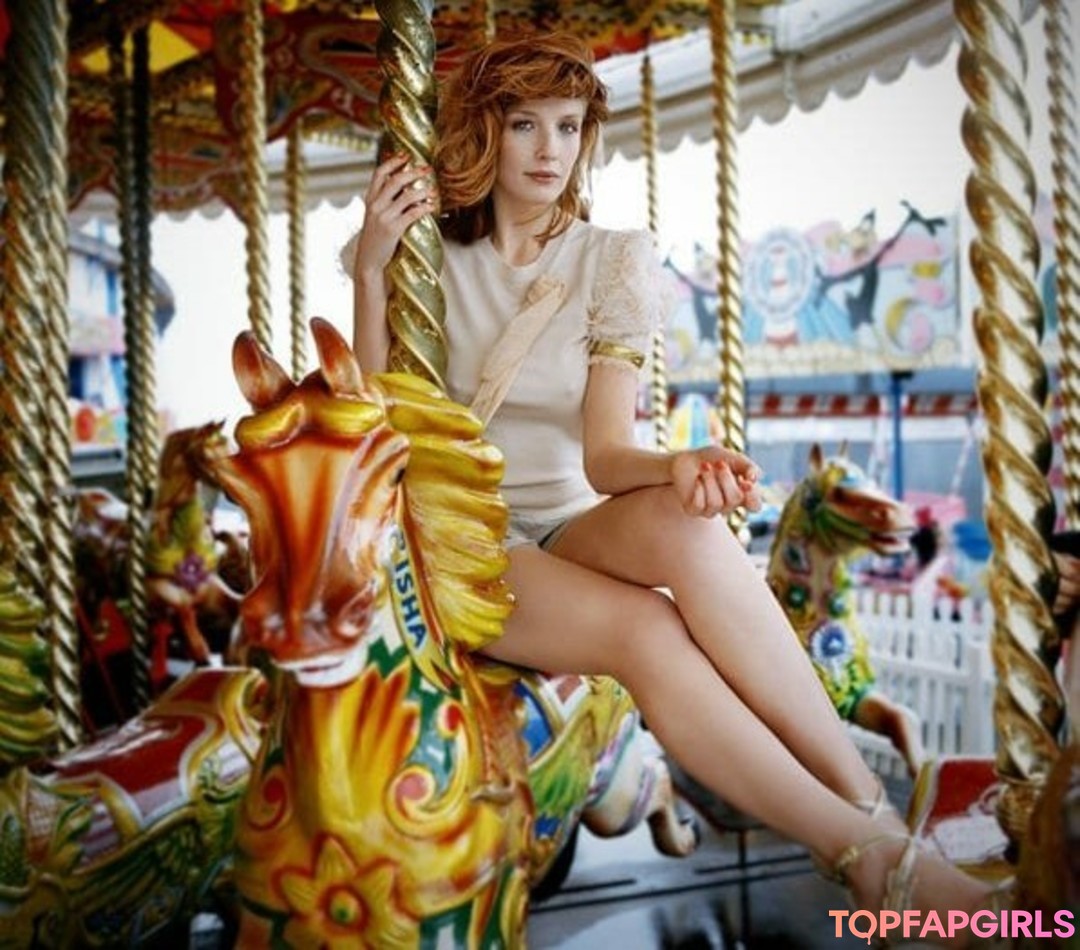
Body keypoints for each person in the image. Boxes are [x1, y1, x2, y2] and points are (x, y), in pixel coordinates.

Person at [348, 31, 998, 934]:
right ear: (485, 130)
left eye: (568, 126)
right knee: (646, 627)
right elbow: (376, 419)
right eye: (525, 124)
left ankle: (874, 814)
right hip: (467, 538)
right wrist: (371, 268)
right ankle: (863, 854)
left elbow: (607, 457)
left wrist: (678, 466)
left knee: (693, 529)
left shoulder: (610, 258)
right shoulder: (427, 259)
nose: (549, 149)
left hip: (569, 516)